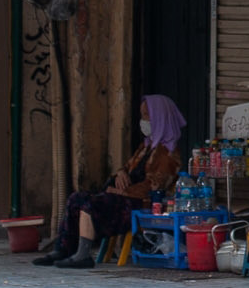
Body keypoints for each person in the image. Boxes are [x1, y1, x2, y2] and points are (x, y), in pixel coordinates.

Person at [34, 95, 185, 269]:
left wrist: (121, 192)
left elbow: (153, 187)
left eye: (146, 115)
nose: (143, 120)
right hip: (122, 198)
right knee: (76, 198)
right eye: (142, 115)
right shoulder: (146, 147)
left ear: (160, 117)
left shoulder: (168, 154)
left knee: (90, 204)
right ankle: (63, 248)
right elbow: (127, 167)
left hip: (138, 204)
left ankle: (83, 254)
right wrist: (121, 174)